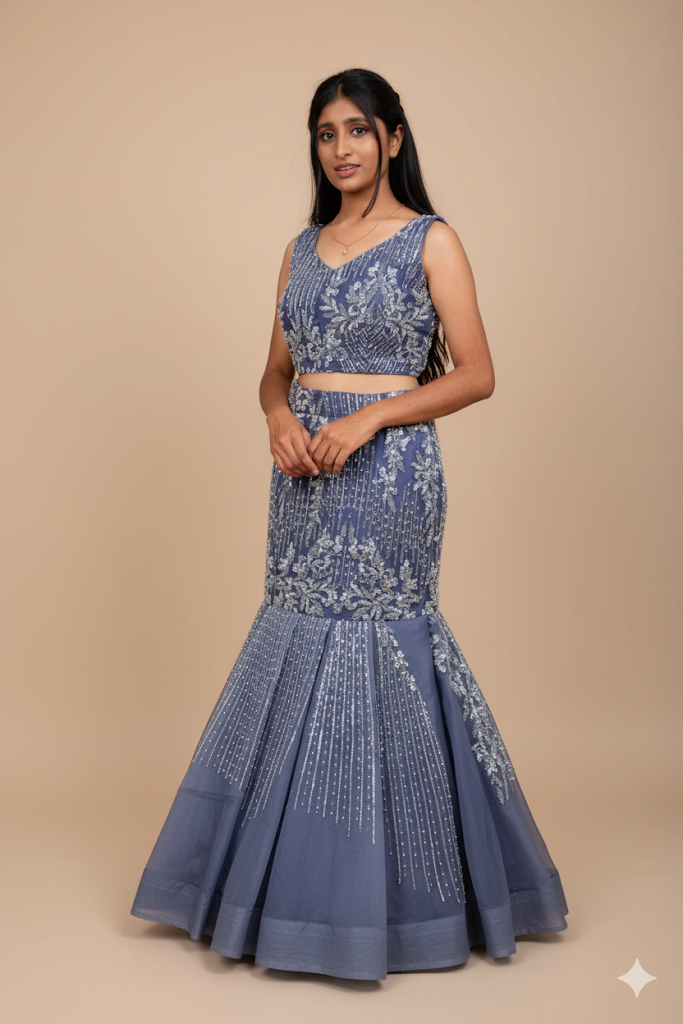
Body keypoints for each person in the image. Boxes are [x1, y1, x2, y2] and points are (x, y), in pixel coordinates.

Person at [130, 67, 569, 981]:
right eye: (326, 133)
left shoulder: (430, 239)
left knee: (378, 642)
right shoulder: (298, 248)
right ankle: (279, 895)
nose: (341, 148)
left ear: (393, 139)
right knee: (294, 638)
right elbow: (274, 371)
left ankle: (399, 905)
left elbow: (477, 373)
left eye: (358, 130)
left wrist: (371, 418)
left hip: (390, 475)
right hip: (300, 476)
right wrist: (276, 418)